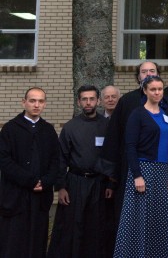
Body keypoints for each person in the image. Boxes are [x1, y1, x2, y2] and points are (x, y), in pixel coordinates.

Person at [113, 75, 168, 257]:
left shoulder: (166, 116)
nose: (157, 92)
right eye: (153, 89)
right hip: (144, 170)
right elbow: (130, 146)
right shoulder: (138, 114)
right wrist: (137, 175)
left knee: (159, 217)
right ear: (145, 91)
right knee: (139, 216)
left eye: (160, 89)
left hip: (162, 171)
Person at [48, 85, 112, 258]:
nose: (88, 102)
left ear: (98, 101)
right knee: (74, 226)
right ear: (79, 102)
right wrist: (61, 187)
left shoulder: (107, 126)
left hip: (100, 183)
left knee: (97, 227)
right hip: (76, 183)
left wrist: (110, 183)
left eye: (92, 98)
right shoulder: (70, 127)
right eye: (84, 99)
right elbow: (60, 159)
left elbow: (112, 157)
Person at [0, 87, 60, 258]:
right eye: (32, 100)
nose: (36, 105)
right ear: (24, 102)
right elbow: (4, 161)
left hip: (40, 198)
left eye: (40, 101)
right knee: (13, 242)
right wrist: (29, 181)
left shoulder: (48, 130)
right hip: (16, 197)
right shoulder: (10, 129)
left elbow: (56, 161)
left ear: (45, 104)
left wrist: (46, 181)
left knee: (37, 241)